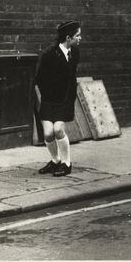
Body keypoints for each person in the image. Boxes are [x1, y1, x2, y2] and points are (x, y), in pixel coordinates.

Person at [34, 19, 82, 177]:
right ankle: (55, 161)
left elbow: (71, 78)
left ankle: (66, 163)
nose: (80, 38)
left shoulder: (75, 53)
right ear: (68, 38)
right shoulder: (49, 55)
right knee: (48, 134)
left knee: (58, 130)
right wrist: (47, 96)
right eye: (78, 36)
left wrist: (70, 97)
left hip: (66, 100)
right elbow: (39, 79)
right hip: (49, 100)